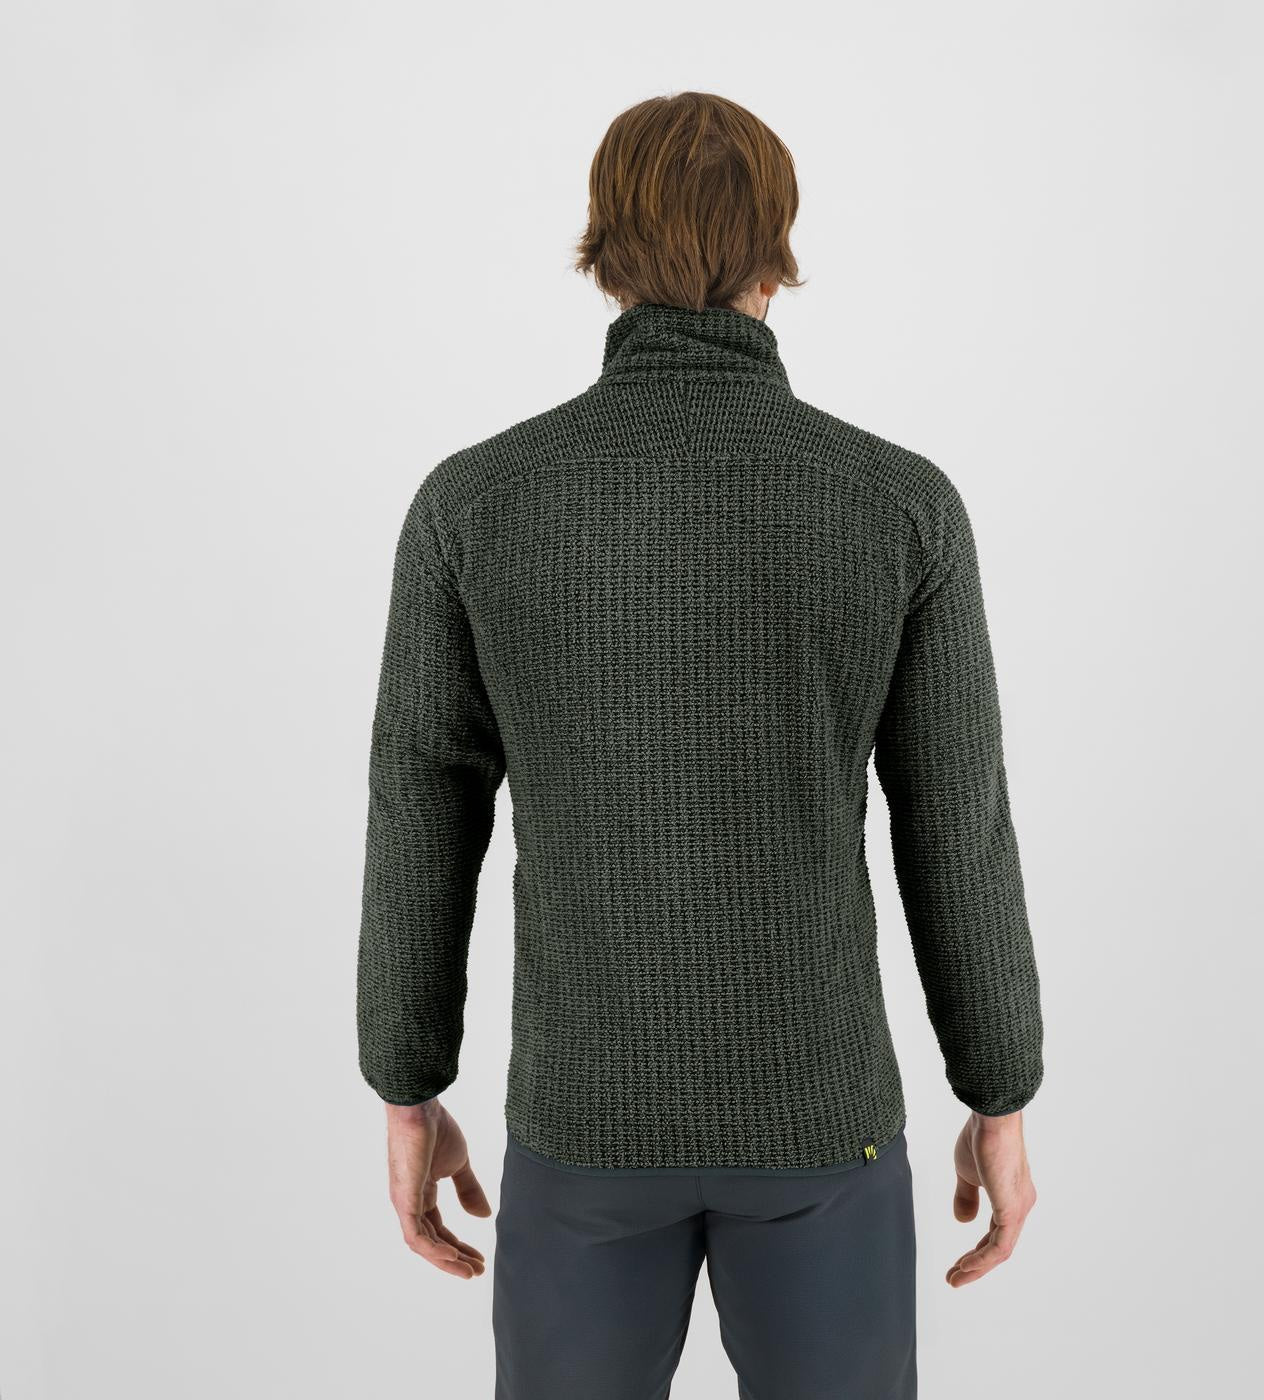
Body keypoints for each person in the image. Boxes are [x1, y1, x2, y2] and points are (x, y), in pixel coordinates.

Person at [357, 90, 1044, 1400]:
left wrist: (407, 1086)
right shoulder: (898, 504)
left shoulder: (476, 503)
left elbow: (419, 807)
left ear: (603, 252)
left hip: (583, 1120)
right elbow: (957, 822)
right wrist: (998, 1094)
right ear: (778, 252)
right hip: (820, 1118)